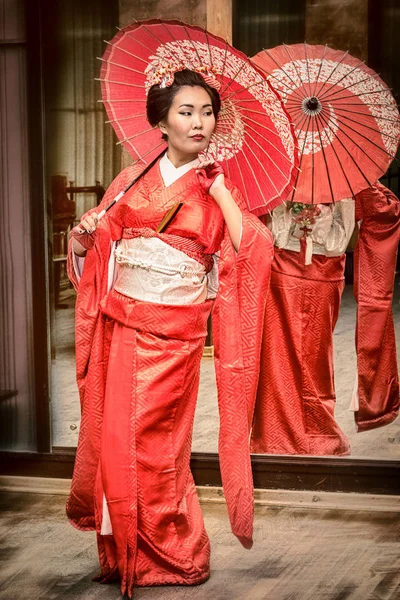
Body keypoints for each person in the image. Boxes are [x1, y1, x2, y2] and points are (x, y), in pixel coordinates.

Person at [66, 69, 273, 597]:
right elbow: (99, 245)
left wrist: (222, 189)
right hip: (120, 325)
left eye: (207, 112)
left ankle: (174, 551)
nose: (199, 121)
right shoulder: (130, 180)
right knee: (114, 441)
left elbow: (252, 249)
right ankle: (122, 552)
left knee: (157, 448)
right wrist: (86, 238)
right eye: (186, 111)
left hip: (172, 335)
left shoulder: (215, 186)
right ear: (161, 120)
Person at [251, 182, 400, 456]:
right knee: (276, 355)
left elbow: (382, 207)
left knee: (315, 356)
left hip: (325, 270)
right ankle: (273, 436)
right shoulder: (282, 163)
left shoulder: (344, 169)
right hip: (280, 265)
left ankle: (318, 430)